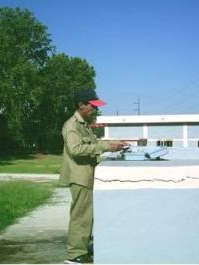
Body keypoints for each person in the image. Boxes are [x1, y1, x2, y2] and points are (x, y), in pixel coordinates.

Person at [61, 89, 126, 264]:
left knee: (87, 216)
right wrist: (105, 148)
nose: (95, 109)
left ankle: (81, 249)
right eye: (92, 106)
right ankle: (74, 255)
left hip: (87, 176)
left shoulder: (84, 125)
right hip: (80, 177)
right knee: (81, 216)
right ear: (81, 105)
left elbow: (95, 144)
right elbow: (75, 150)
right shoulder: (72, 125)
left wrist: (113, 145)